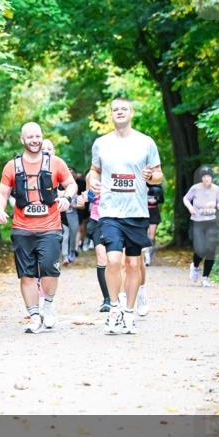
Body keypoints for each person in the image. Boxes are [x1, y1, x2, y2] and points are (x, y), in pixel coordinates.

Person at [86, 96, 164, 335]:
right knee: (113, 261)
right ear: (111, 115)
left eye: (124, 109)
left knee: (133, 264)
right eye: (115, 109)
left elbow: (159, 175)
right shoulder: (101, 143)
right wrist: (92, 183)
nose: (119, 112)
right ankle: (114, 309)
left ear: (131, 113)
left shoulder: (146, 142)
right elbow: (94, 171)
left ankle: (129, 313)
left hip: (137, 213)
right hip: (109, 212)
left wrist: (151, 176)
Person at [0, 123, 76, 333]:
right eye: (30, 136)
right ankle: (33, 315)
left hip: (50, 227)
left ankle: (47, 304)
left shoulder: (56, 163)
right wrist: (0, 210)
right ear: (22, 139)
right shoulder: (12, 166)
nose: (34, 140)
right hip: (22, 228)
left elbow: (71, 184)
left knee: (49, 270)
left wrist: (66, 197)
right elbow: (2, 193)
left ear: (42, 138)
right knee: (27, 275)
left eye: (37, 136)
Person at [183, 167, 219, 287]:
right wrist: (191, 208)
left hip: (211, 222)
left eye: (208, 176)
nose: (206, 179)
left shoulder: (217, 189)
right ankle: (195, 266)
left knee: (211, 250)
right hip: (197, 222)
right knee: (200, 249)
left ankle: (205, 278)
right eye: (204, 177)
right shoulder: (195, 188)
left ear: (212, 178)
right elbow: (186, 199)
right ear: (201, 178)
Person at [42, 139, 79, 266]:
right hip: (39, 213)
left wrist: (62, 195)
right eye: (43, 149)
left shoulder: (59, 166)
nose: (46, 151)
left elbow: (71, 187)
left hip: (59, 209)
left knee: (64, 233)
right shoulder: (30, 166)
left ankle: (62, 257)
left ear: (54, 151)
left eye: (49, 149)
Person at [144, 183, 164, 266]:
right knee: (143, 236)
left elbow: (162, 200)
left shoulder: (158, 187)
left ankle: (149, 256)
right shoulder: (142, 184)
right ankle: (145, 256)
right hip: (143, 213)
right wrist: (146, 200)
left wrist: (156, 200)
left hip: (154, 214)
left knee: (151, 237)